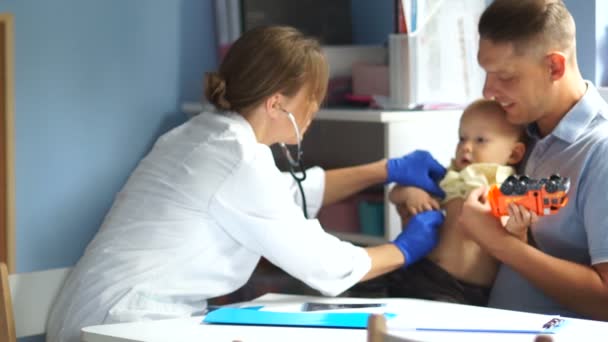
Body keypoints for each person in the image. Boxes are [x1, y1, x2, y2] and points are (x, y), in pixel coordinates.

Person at [47, 26, 447, 342]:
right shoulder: (238, 159)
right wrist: (407, 247)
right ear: (276, 104)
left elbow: (284, 197)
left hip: (97, 312)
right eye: (312, 99)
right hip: (123, 325)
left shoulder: (204, 135)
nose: (315, 110)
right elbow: (326, 265)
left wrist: (384, 170)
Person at [457, 0, 608, 320]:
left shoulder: (600, 151)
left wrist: (500, 243)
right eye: (486, 73)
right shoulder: (518, 131)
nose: (487, 91)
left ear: (554, 66)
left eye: (505, 76)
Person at [386, 99, 533, 306]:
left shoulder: (507, 189)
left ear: (514, 153)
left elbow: (517, 250)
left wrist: (518, 230)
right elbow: (394, 194)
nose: (466, 147)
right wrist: (411, 193)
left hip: (461, 290)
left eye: (481, 140)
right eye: (462, 138)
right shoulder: (451, 175)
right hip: (416, 269)